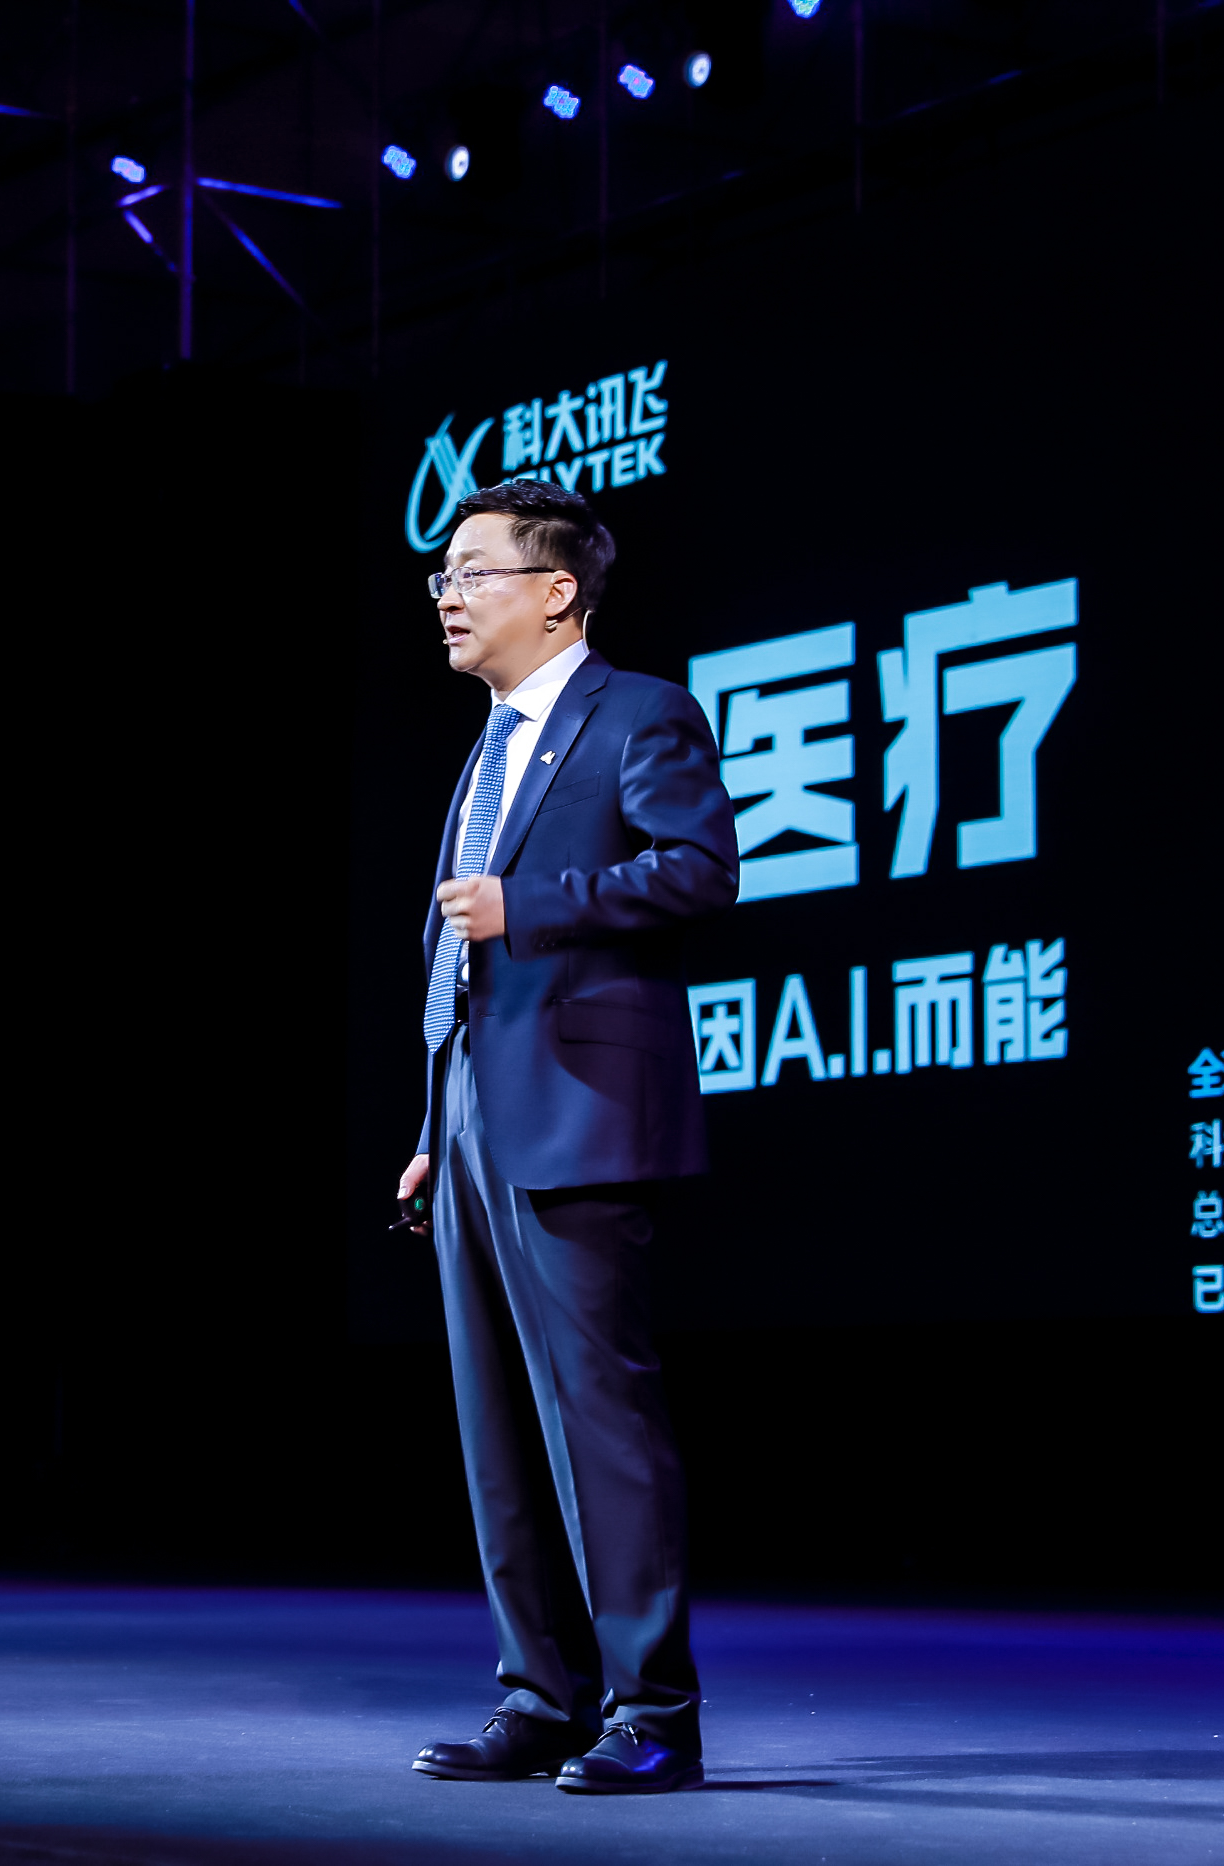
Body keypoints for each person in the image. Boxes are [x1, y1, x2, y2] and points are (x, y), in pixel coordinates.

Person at [397, 478, 738, 1796]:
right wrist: (435, 1122)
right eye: (443, 574)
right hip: (473, 1117)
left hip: (580, 1112)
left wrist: (529, 904)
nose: (447, 595)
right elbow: (456, 958)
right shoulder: (488, 744)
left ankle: (654, 1710)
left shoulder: (638, 712)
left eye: (473, 571)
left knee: (601, 1419)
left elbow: (700, 869)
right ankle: (542, 1695)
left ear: (557, 591)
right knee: (496, 1429)